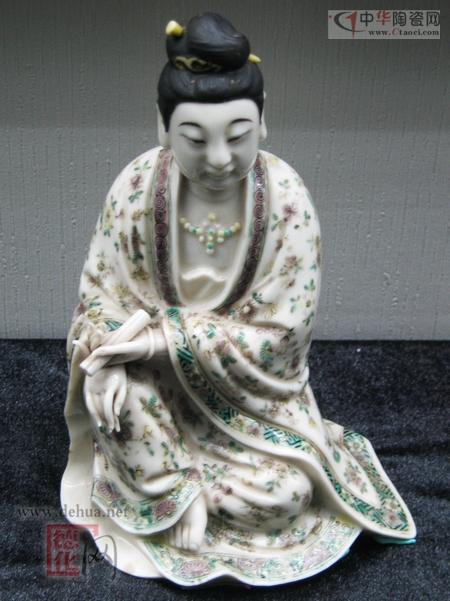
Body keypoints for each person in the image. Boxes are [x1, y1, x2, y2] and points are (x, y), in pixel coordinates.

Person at [61, 13, 416, 586]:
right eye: (195, 139)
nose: (220, 157)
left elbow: (282, 341)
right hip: (156, 395)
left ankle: (184, 490)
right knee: (116, 398)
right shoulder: (135, 190)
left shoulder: (287, 202)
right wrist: (103, 357)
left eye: (238, 135)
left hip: (251, 408)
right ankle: (174, 491)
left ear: (263, 119)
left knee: (284, 496)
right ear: (162, 126)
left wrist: (161, 339)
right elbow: (99, 295)